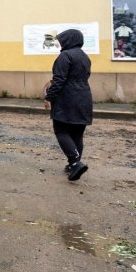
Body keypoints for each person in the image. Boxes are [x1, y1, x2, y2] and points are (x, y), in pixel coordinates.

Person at [43, 28, 93, 181]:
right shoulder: (85, 57)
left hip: (68, 97)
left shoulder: (65, 56)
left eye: (61, 40)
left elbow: (59, 80)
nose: (59, 44)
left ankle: (76, 162)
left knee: (61, 131)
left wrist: (49, 98)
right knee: (77, 133)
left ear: (69, 40)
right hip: (84, 97)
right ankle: (73, 164)